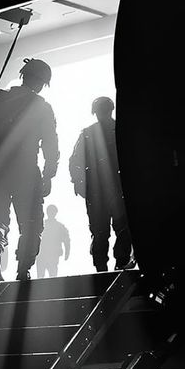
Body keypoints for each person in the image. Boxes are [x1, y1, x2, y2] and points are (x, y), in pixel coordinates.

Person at [0, 57, 59, 283]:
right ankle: (23, 269)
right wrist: (48, 174)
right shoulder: (42, 107)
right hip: (26, 172)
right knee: (31, 222)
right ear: (41, 82)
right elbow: (50, 144)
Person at [69, 96, 134, 273]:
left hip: (99, 190)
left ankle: (103, 265)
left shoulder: (88, 133)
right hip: (114, 188)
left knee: (102, 230)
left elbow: (74, 161)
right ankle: (117, 262)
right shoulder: (119, 130)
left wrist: (79, 182)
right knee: (119, 228)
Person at [33, 204, 71, 279]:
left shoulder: (59, 226)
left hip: (51, 256)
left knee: (51, 277)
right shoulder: (43, 225)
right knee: (42, 278)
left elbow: (66, 240)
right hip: (42, 255)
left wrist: (67, 252)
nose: (51, 213)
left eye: (52, 211)